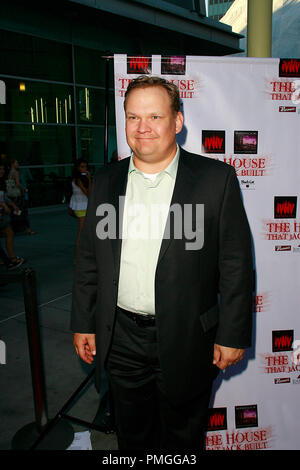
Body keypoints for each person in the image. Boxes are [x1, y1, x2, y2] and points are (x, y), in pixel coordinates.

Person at [71, 76, 253, 450]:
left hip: (188, 337)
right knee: (133, 438)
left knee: (183, 440)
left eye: (154, 116)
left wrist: (233, 333)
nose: (142, 128)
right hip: (120, 338)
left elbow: (235, 264)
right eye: (133, 117)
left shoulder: (214, 180)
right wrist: (84, 323)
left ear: (177, 122)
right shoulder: (106, 181)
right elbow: (90, 259)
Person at [0, 164, 25, 269]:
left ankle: (11, 258)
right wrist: (4, 205)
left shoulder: (1, 182)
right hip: (2, 212)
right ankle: (9, 259)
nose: (1, 171)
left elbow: (3, 196)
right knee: (8, 232)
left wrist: (12, 205)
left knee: (9, 232)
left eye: (2, 169)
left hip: (2, 213)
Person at [69, 159, 91, 261]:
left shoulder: (77, 179)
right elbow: (88, 193)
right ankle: (78, 258)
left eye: (85, 166)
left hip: (81, 206)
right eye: (82, 167)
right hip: (81, 207)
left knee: (84, 231)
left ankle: (79, 256)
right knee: (81, 232)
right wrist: (89, 179)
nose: (84, 169)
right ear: (78, 168)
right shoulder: (78, 180)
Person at [6, 158, 36, 235]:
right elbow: (18, 183)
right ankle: (27, 228)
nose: (18, 164)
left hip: (11, 195)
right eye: (16, 163)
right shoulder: (16, 172)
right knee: (22, 212)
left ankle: (15, 228)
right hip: (17, 195)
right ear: (12, 164)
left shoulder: (9, 173)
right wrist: (23, 190)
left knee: (15, 212)